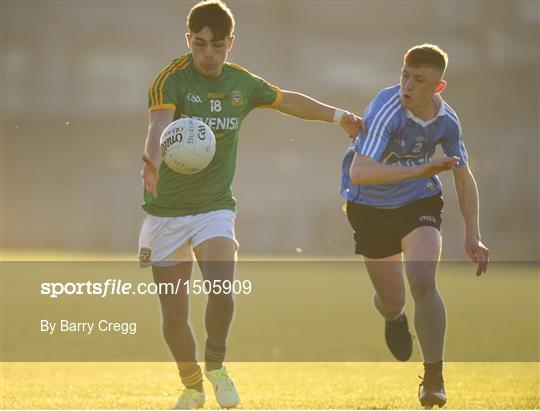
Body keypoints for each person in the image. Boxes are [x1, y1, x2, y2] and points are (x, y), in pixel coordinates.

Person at [139, 1, 365, 409]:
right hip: (166, 210)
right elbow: (159, 122)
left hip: (214, 207)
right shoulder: (169, 80)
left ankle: (217, 367)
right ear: (188, 40)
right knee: (174, 316)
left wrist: (339, 117)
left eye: (218, 45)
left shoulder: (241, 84)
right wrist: (152, 158)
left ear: (231, 43)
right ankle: (191, 388)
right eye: (201, 44)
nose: (209, 54)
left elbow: (287, 100)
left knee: (222, 287)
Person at [341, 44, 489, 408]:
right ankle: (394, 316)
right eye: (405, 75)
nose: (407, 86)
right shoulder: (385, 108)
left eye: (419, 80)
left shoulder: (447, 121)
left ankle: (434, 378)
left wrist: (473, 234)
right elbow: (360, 172)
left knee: (423, 280)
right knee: (393, 300)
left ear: (437, 88)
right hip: (370, 205)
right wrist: (422, 169)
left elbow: (462, 174)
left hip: (418, 202)